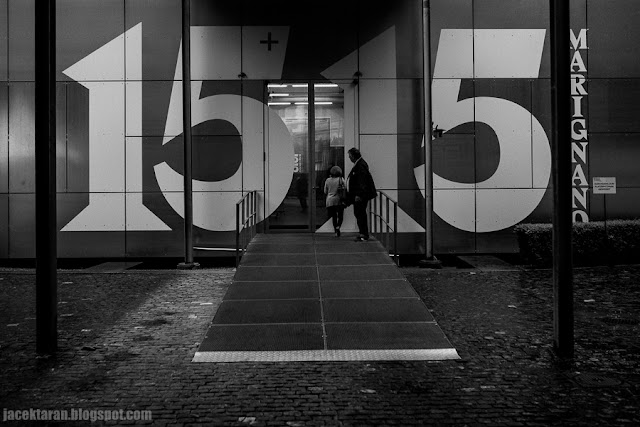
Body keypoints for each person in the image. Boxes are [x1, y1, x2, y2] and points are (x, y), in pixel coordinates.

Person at [346, 147, 377, 241]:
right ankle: (362, 233)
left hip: (360, 196)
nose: (349, 158)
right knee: (359, 213)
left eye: (349, 156)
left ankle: (363, 234)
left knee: (360, 213)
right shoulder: (360, 164)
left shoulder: (360, 165)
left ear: (353, 156)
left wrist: (359, 195)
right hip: (360, 195)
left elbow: (362, 181)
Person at [324, 166, 346, 237]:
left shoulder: (328, 180)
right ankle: (338, 226)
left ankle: (335, 229)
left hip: (330, 200)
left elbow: (325, 191)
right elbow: (345, 188)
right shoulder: (341, 179)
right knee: (340, 216)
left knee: (334, 216)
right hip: (339, 200)